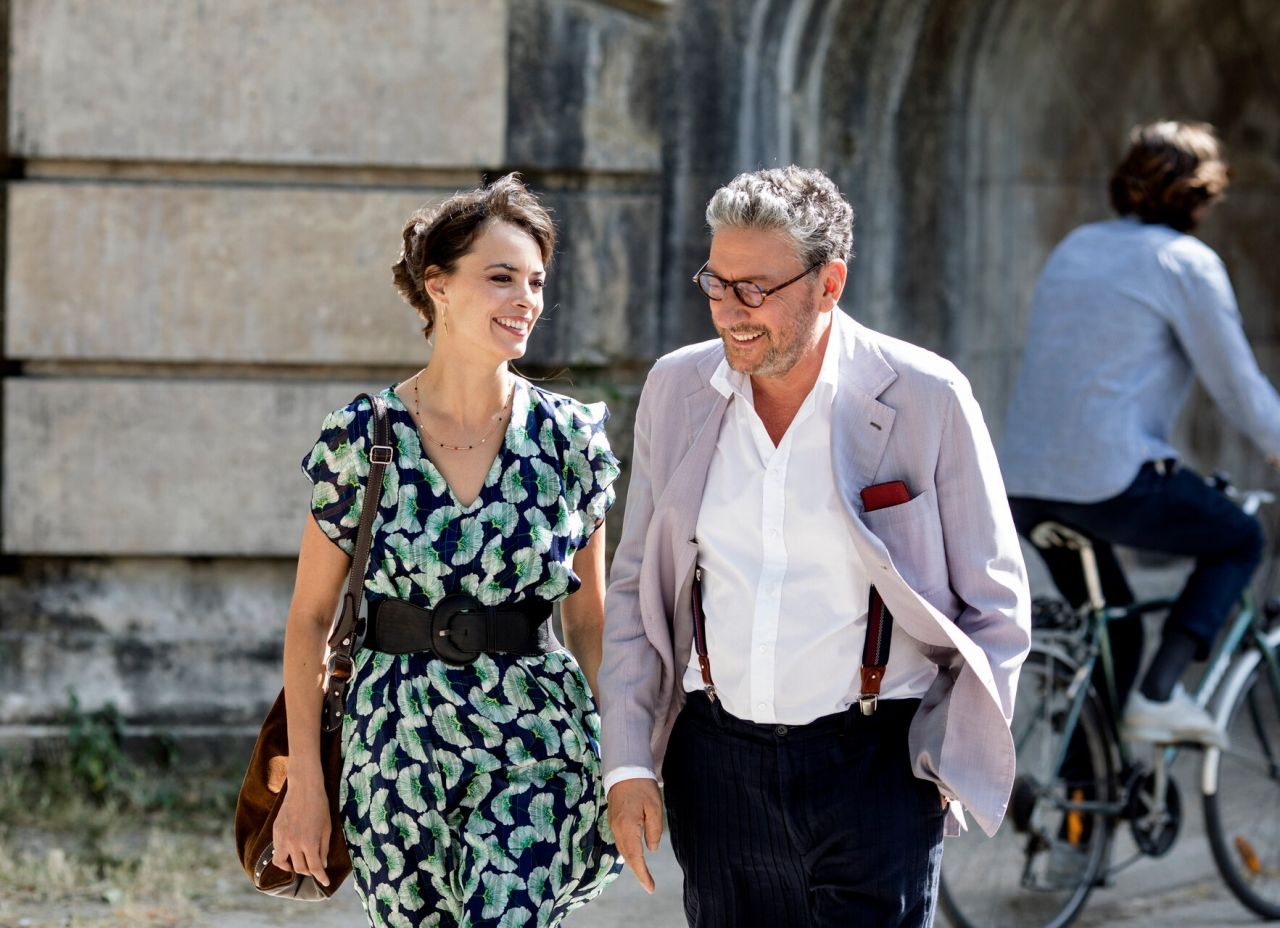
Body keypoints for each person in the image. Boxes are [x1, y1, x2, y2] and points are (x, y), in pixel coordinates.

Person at [599, 166, 1031, 928]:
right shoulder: (675, 389)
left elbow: (995, 601)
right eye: (716, 283)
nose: (730, 311)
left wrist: (946, 761)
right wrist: (629, 763)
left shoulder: (926, 395)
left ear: (829, 284)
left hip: (876, 768)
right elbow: (636, 587)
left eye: (755, 289)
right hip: (715, 769)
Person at [270, 174, 623, 927]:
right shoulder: (362, 438)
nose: (526, 298)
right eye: (501, 277)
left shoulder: (569, 442)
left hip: (537, 741)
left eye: (536, 281)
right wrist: (306, 782)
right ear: (439, 286)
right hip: (394, 748)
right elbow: (309, 621)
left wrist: (628, 765)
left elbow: (591, 621)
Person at [1002, 121, 1280, 747]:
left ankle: (1083, 794)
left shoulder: (1077, 245)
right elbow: (1237, 386)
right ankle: (1160, 695)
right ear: (1198, 195)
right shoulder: (1184, 262)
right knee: (1240, 540)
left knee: (1114, 632)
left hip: (1025, 485)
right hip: (1110, 482)